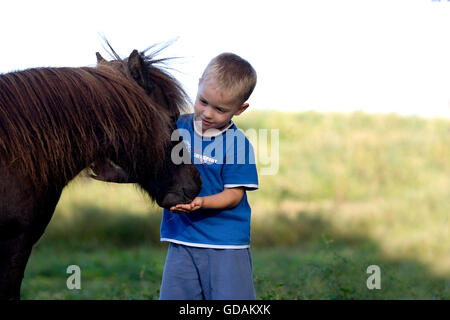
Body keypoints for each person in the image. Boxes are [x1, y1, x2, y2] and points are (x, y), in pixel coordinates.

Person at [91, 52, 258, 300]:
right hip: (181, 239)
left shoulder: (236, 144)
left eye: (221, 109)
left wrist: (202, 202)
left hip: (225, 245)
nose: (208, 113)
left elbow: (234, 195)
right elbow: (157, 170)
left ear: (240, 109)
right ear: (199, 84)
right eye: (203, 101)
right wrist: (117, 175)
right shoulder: (177, 127)